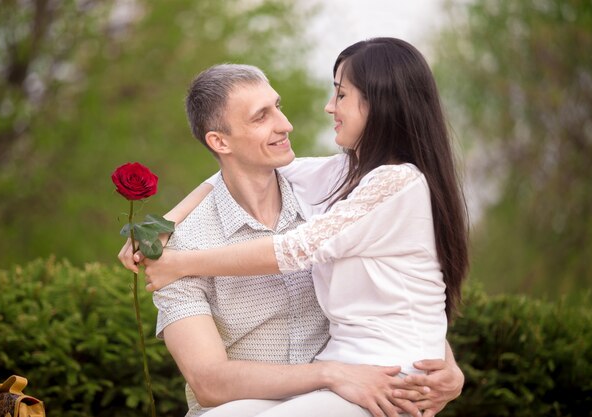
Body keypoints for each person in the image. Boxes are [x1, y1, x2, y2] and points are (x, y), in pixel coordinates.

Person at [135, 37, 469, 417]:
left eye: (341, 95)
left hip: (383, 378)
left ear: (380, 103)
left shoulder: (372, 187)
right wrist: (155, 230)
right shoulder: (338, 178)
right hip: (334, 375)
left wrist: (182, 262)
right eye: (262, 116)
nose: (286, 124)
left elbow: (297, 251)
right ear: (219, 141)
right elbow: (228, 173)